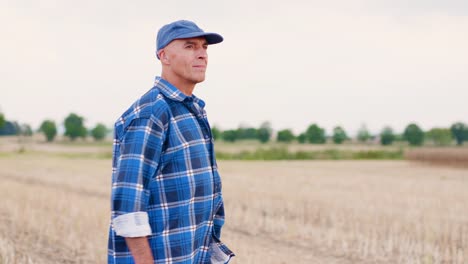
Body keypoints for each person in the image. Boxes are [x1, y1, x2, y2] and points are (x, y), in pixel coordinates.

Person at [108, 20, 234, 264]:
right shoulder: (152, 113)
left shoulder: (193, 111)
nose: (202, 55)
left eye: (204, 47)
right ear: (164, 56)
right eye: (190, 46)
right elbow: (128, 207)